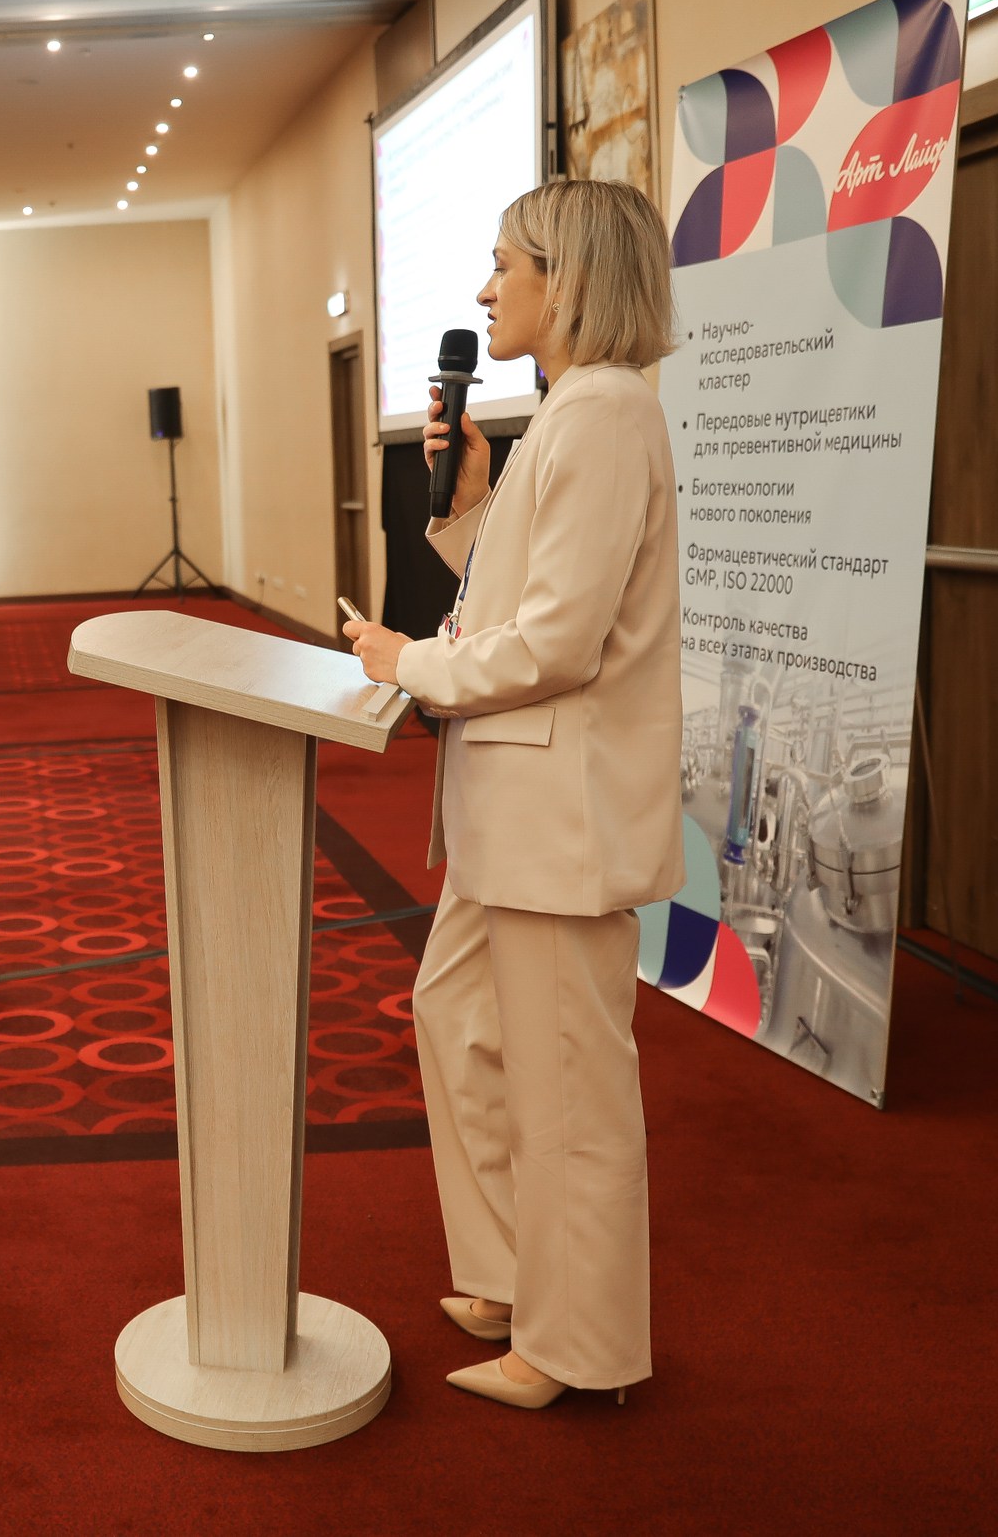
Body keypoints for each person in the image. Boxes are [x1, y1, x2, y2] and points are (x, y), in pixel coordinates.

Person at [340, 179, 682, 1411]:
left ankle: (572, 1347)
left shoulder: (601, 417)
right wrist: (478, 501)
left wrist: (405, 662)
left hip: (558, 825)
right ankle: (504, 1275)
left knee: (567, 1091)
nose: (486, 291)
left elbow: (556, 643)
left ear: (566, 279)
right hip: (514, 819)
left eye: (503, 266)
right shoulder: (571, 416)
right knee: (456, 1021)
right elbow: (525, 591)